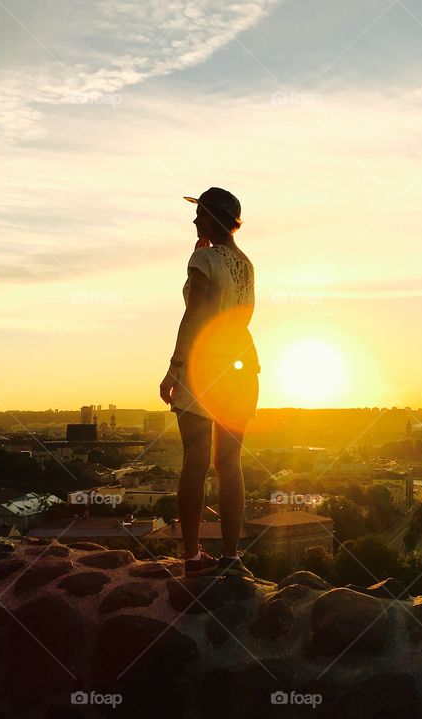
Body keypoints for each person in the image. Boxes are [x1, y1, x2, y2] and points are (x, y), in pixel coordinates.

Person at [159, 187, 260, 579]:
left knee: (196, 461)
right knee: (230, 465)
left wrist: (175, 366)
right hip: (239, 368)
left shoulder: (203, 259)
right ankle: (231, 556)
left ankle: (192, 556)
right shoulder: (246, 265)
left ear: (214, 218)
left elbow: (196, 315)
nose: (194, 219)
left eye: (200, 213)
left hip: (203, 367)